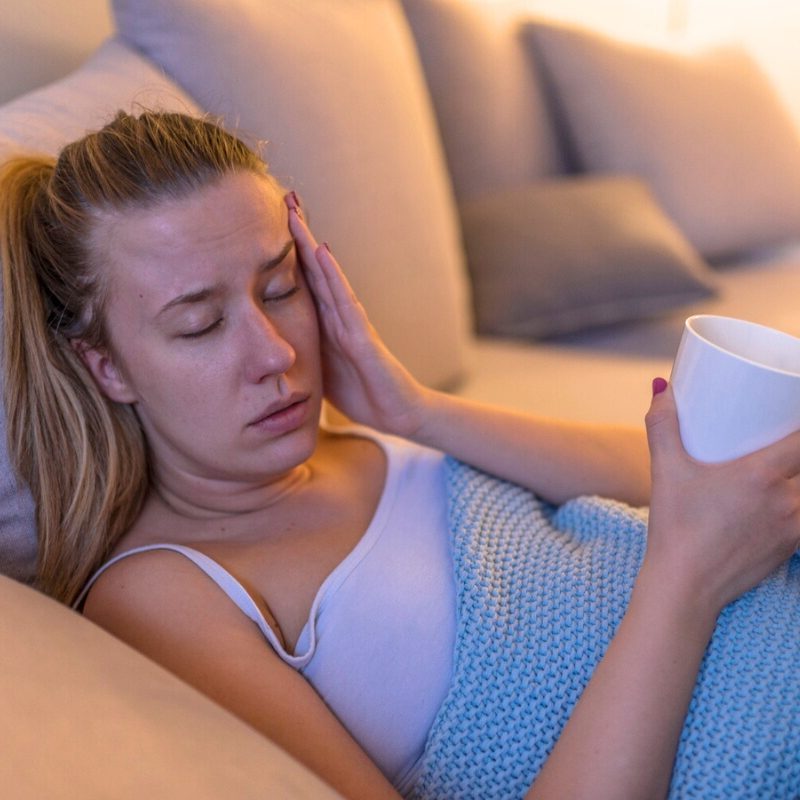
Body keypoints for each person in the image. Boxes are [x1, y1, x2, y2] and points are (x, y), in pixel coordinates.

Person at [1, 110, 799, 800]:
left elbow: (663, 477)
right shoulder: (162, 594)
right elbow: (691, 530)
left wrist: (419, 410)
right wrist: (686, 579)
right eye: (199, 325)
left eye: (281, 287)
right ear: (105, 366)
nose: (276, 352)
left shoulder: (371, 434)